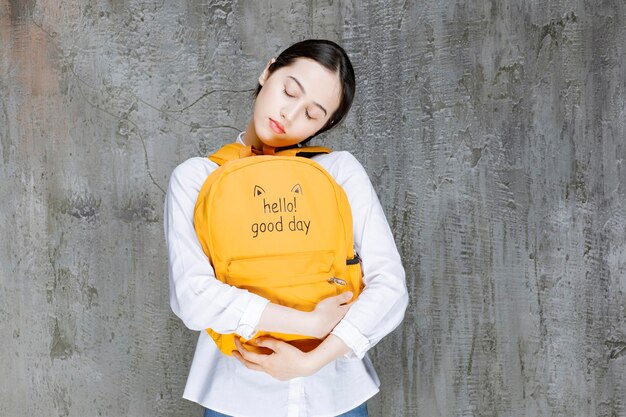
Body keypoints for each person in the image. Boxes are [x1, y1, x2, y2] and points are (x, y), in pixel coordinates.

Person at [164, 39, 408, 417]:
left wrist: (311, 361)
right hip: (236, 396)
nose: (290, 114)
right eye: (289, 90)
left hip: (335, 393)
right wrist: (310, 323)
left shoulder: (340, 172)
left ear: (326, 124)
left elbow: (390, 286)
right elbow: (192, 296)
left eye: (313, 113)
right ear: (268, 71)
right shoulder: (197, 178)